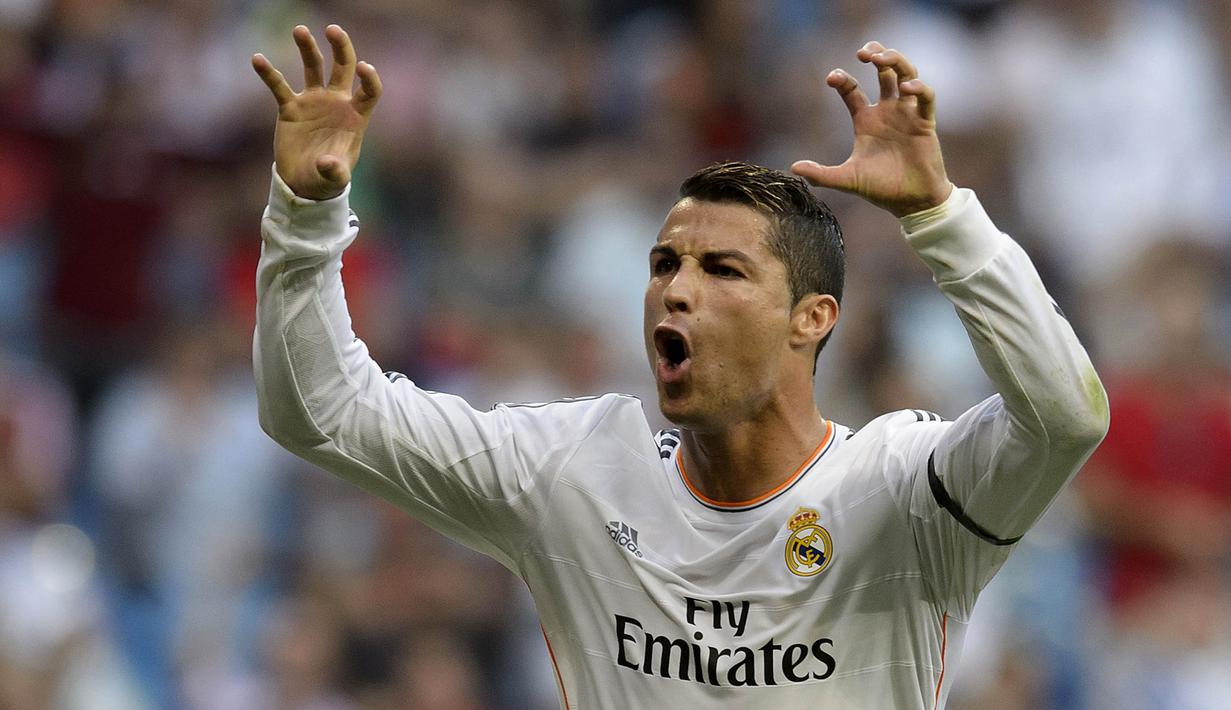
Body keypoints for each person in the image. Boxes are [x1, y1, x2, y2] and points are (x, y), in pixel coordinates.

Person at [251, 24, 1108, 708]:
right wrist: (307, 211)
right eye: (664, 264)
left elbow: (1065, 418)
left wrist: (940, 218)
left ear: (811, 320)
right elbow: (317, 410)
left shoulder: (905, 492)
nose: (674, 292)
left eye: (721, 270)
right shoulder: (574, 473)